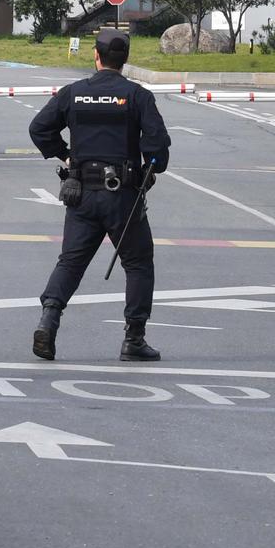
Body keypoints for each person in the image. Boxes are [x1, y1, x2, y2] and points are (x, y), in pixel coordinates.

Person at [27, 28, 170, 363]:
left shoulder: (74, 93)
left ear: (96, 55)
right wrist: (149, 170)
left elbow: (39, 128)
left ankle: (48, 322)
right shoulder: (137, 96)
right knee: (137, 263)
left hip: (81, 192)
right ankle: (133, 339)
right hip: (123, 195)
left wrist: (65, 155)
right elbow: (157, 150)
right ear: (126, 59)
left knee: (71, 262)